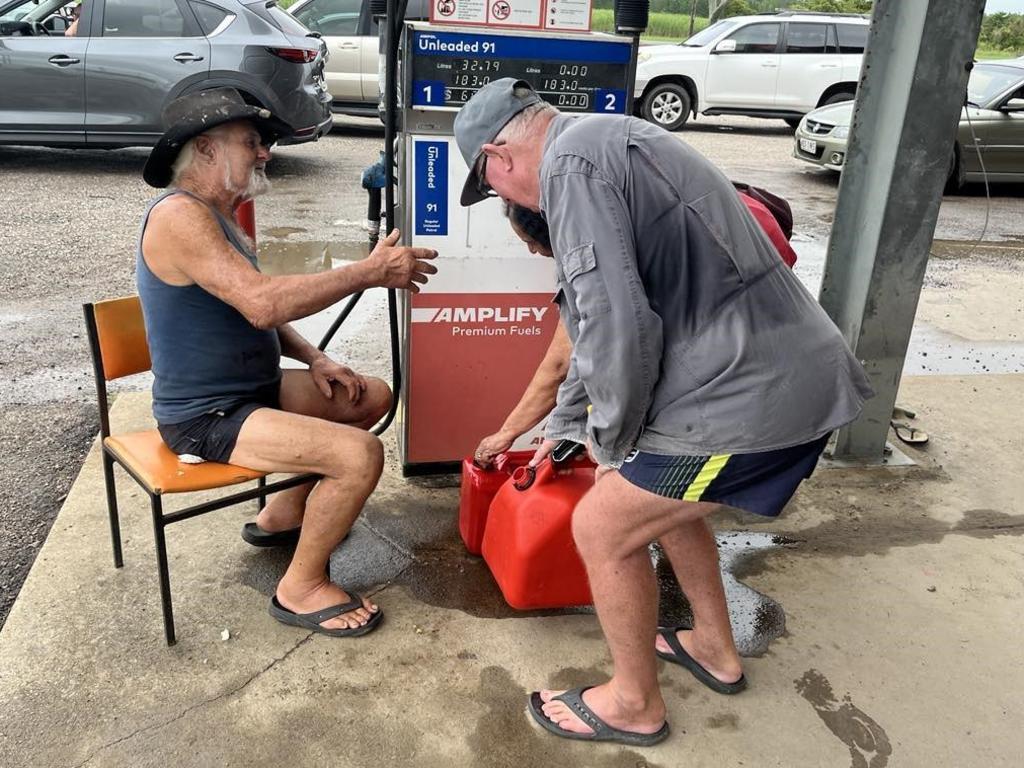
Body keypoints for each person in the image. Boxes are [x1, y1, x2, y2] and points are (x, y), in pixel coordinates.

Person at [454, 78, 873, 746]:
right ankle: (712, 645)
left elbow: (618, 326)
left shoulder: (571, 168)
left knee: (602, 523)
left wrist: (606, 444)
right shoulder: (604, 140)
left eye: (496, 189)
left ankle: (631, 703)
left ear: (498, 160)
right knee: (658, 502)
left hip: (753, 395)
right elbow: (595, 331)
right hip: (768, 376)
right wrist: (567, 429)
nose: (508, 200)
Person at [137, 88, 437, 637]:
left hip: (253, 391)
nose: (264, 153)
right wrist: (368, 271)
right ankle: (300, 587)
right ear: (205, 148)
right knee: (359, 456)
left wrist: (316, 358)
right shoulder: (180, 216)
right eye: (251, 142)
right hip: (207, 415)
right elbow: (263, 302)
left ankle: (283, 515)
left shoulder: (218, 214)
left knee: (366, 397)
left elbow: (259, 309)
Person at [473, 195, 796, 467]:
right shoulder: (624, 215)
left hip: (742, 367)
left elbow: (565, 363)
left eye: (530, 242)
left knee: (634, 477)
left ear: (555, 234)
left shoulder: (594, 260)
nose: (531, 251)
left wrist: (509, 433)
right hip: (756, 284)